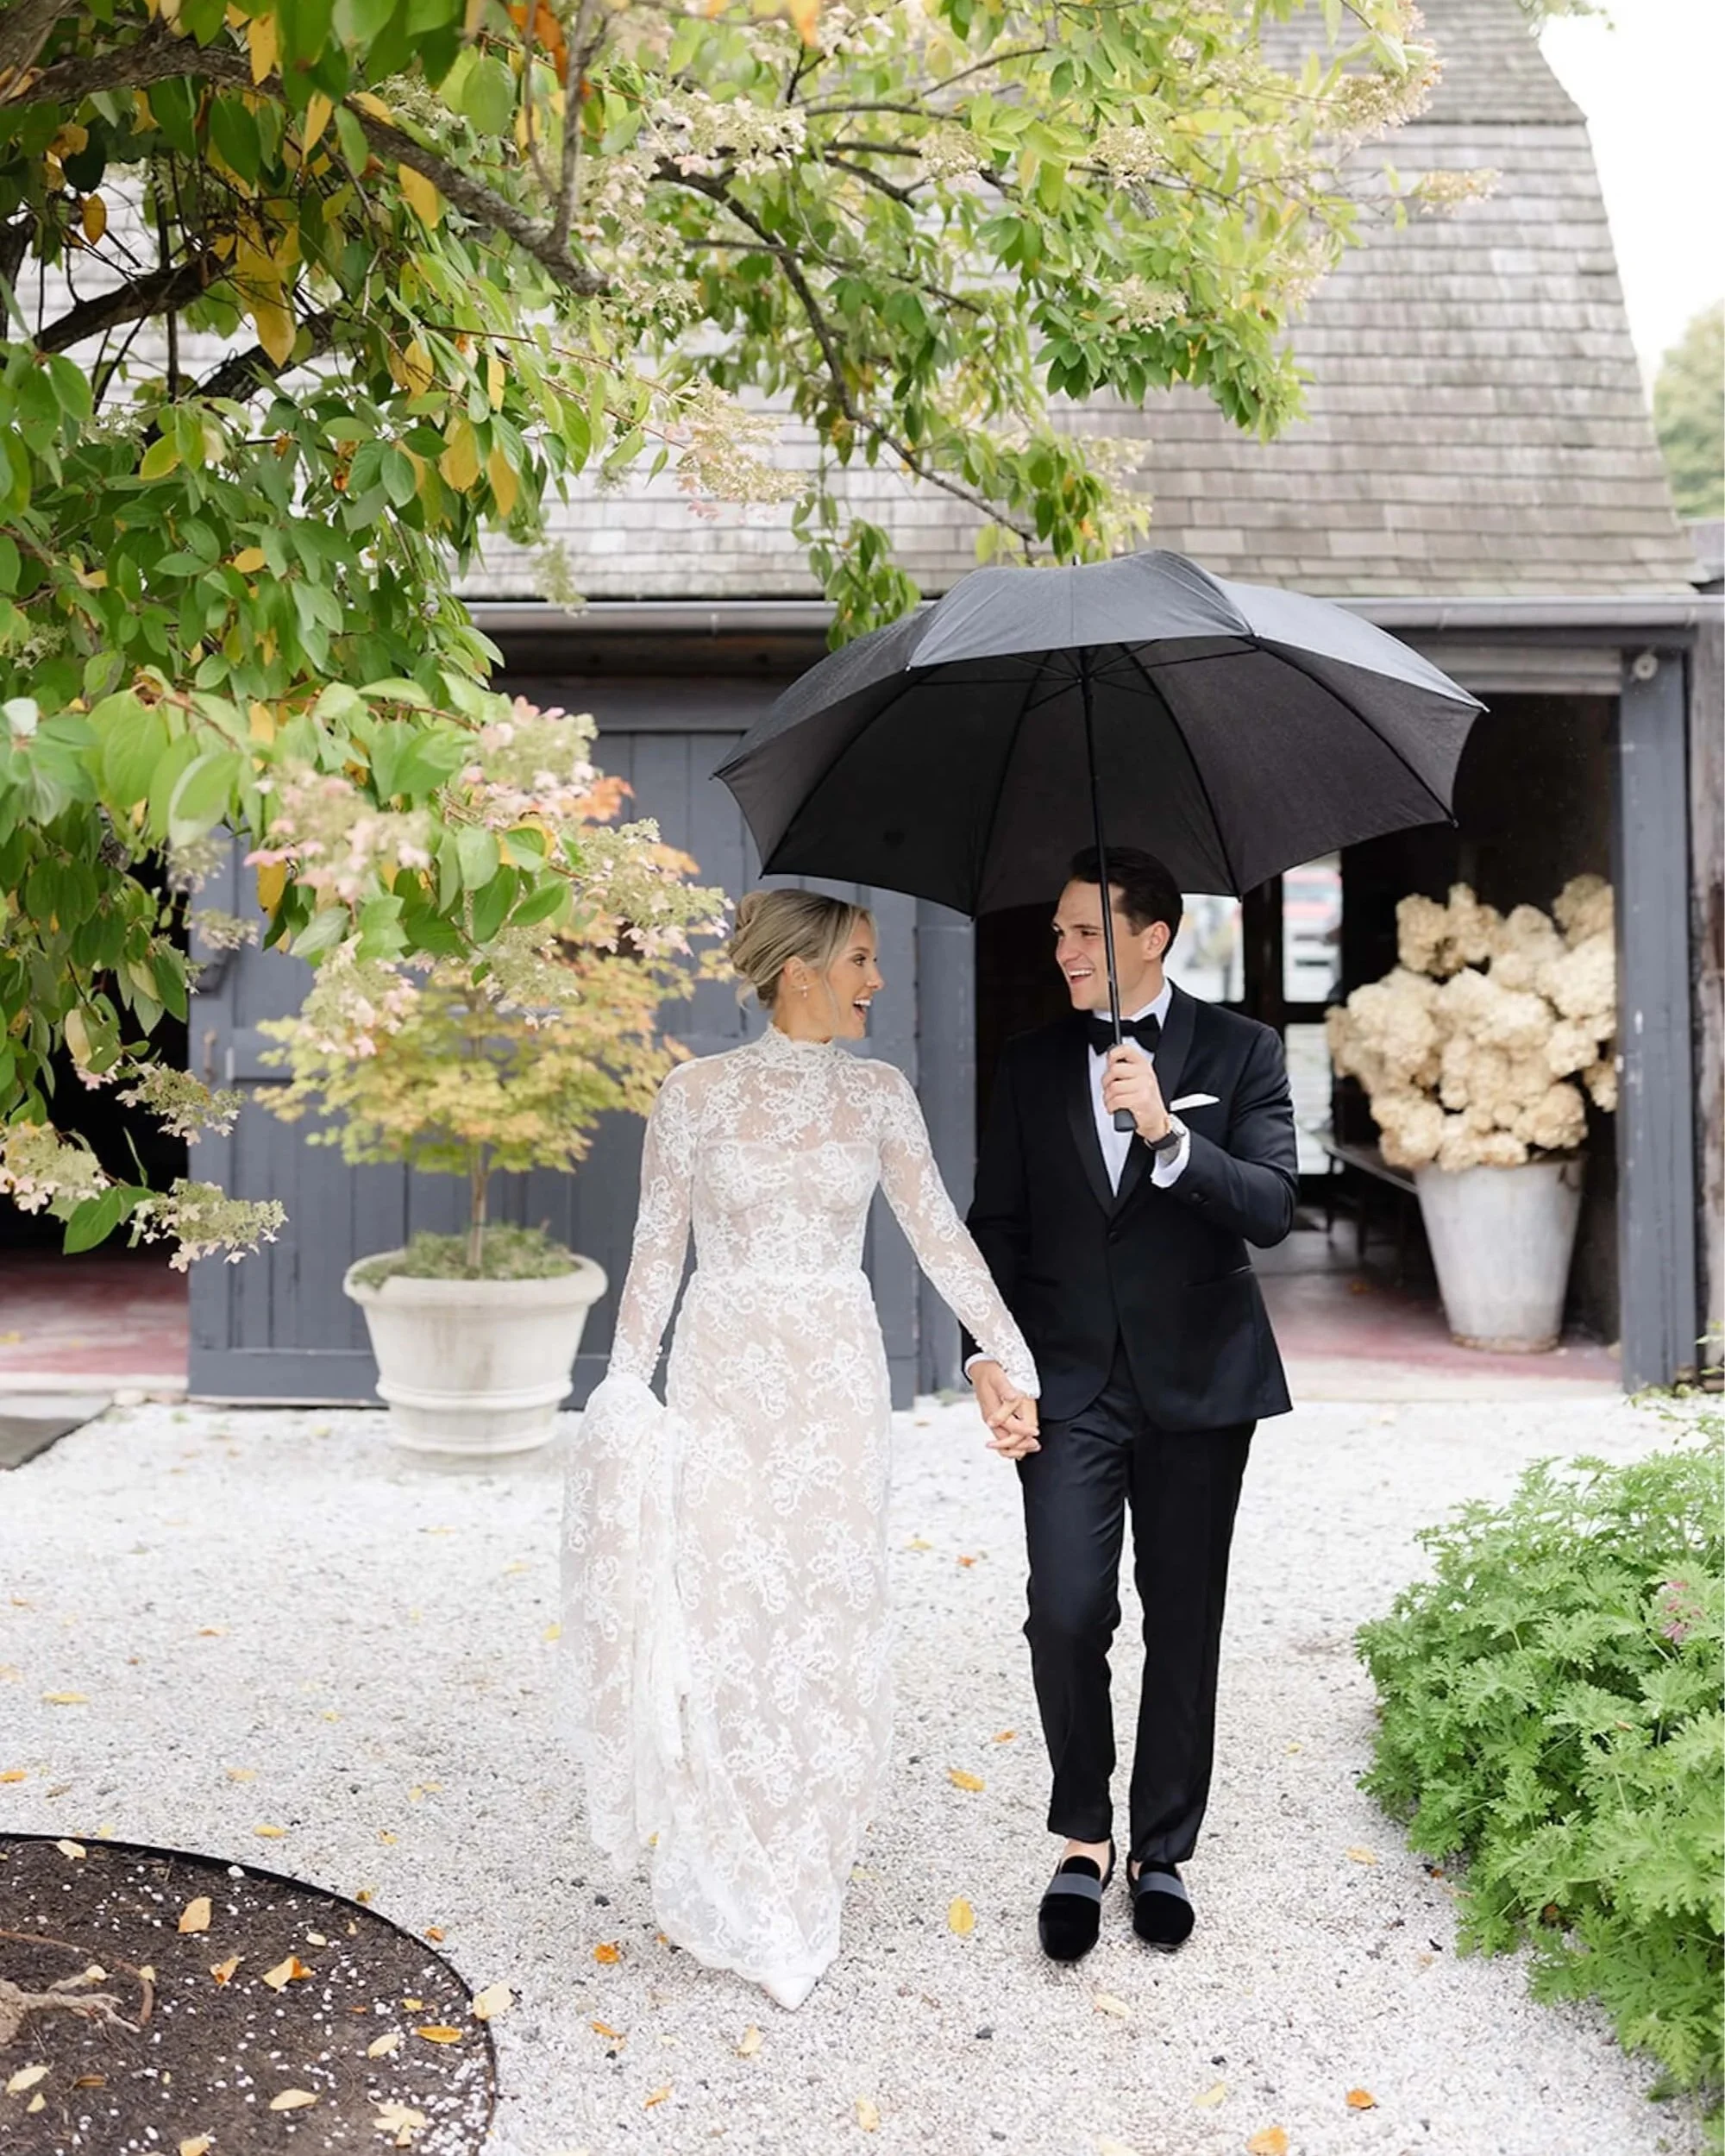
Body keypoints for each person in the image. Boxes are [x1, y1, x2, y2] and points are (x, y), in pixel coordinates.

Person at [562, 889, 1040, 2010]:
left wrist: (1012, 1358)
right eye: (862, 960)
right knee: (727, 1614)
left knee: (827, 1618)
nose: (878, 979)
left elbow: (941, 1239)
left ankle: (806, 1867)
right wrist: (623, 1398)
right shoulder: (694, 1094)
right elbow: (654, 1257)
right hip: (725, 1378)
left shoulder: (879, 1095)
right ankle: (735, 1859)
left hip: (833, 1380)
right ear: (800, 972)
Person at [963, 846, 1296, 1961]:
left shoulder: (1242, 1051)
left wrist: (1170, 1134)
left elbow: (1273, 1206)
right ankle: (1080, 1833)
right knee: (1065, 1607)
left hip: (1202, 1382)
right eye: (1055, 932)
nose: (1057, 950)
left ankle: (1161, 1848)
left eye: (1079, 932)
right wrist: (986, 1358)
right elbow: (995, 1227)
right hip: (1067, 1381)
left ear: (1152, 934)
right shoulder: (1025, 1064)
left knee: (1183, 1617)